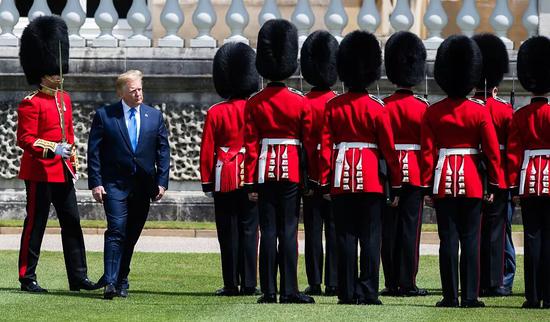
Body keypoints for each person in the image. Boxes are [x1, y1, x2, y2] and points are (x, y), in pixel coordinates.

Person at [318, 30, 402, 305]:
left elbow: (326, 146)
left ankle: (346, 291)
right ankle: (367, 291)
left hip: (342, 177)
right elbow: (389, 150)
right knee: (370, 237)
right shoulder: (378, 108)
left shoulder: (334, 106)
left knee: (344, 236)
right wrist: (397, 183)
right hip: (370, 180)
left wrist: (326, 180)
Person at [16, 15, 98, 293]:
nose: (59, 76)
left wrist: (71, 156)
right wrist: (52, 148)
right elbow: (25, 139)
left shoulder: (64, 99)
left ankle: (78, 277)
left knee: (72, 222)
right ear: (42, 73)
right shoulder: (31, 103)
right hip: (39, 171)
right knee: (35, 224)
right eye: (54, 72)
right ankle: (28, 276)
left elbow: (69, 133)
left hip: (63, 170)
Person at [421, 35, 503, 308]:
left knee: (448, 241)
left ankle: (449, 296)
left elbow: (428, 154)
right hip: (471, 181)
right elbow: (492, 152)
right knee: (470, 240)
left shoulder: (433, 112)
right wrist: (494, 184)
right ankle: (469, 296)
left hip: (443, 179)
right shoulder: (479, 112)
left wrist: (427, 186)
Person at [243, 19, 315, 304]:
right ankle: (289, 290)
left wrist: (249, 180)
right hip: (292, 169)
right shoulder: (300, 101)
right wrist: (308, 177)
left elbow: (250, 144)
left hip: (263, 168)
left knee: (268, 229)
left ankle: (269, 291)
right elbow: (308, 143)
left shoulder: (255, 101)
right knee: (288, 230)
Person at [88, 70, 170, 299]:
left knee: (131, 235)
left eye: (140, 89)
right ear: (121, 92)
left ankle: (122, 277)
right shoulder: (105, 116)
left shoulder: (154, 116)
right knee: (116, 231)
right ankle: (111, 282)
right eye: (133, 90)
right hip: (114, 185)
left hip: (143, 187)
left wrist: (162, 182)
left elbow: (163, 151)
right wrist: (96, 183)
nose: (138, 94)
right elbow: (93, 152)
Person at [200, 42, 260, 296]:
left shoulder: (216, 111)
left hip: (224, 174)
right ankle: (249, 283)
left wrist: (206, 180)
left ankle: (231, 284)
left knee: (227, 232)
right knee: (250, 229)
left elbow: (207, 149)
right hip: (249, 172)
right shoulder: (255, 108)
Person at [380, 31, 429, 297]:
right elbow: (428, 145)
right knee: (411, 229)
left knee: (390, 230)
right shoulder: (422, 107)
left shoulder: (384, 105)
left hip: (389, 172)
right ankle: (407, 282)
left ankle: (390, 282)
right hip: (416, 172)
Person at [507, 36, 550, 309]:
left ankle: (532, 296)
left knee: (532, 237)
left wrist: (513, 187)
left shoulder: (520, 116)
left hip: (529, 179)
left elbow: (513, 154)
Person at [471, 33, 513, 297]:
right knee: (498, 232)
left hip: (472, 174)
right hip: (498, 175)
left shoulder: (467, 106)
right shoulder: (503, 109)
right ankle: (495, 281)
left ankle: (476, 280)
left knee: (474, 231)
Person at [299, 30, 339, 297]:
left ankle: (314, 281)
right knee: (334, 231)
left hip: (309, 174)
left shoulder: (302, 102)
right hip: (334, 174)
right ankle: (333, 281)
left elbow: (300, 143)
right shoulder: (337, 101)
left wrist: (307, 179)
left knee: (313, 232)